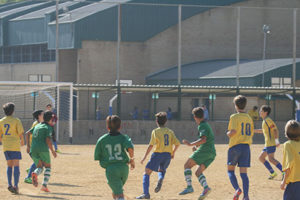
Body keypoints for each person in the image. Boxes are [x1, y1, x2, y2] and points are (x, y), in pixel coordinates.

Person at [136, 112, 180, 199]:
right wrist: (173, 153)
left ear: (157, 121)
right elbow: (177, 144)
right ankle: (160, 178)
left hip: (158, 154)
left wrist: (144, 157)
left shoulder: (155, 131)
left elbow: (151, 145)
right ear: (166, 121)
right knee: (161, 170)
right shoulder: (170, 132)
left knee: (147, 172)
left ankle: (146, 194)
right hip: (167, 155)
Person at [179, 107, 216, 200]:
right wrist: (196, 147)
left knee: (187, 165)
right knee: (198, 172)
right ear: (203, 115)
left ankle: (189, 187)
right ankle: (206, 188)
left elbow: (203, 139)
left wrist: (191, 144)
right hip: (212, 153)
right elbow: (207, 139)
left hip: (205, 150)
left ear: (195, 117)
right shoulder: (206, 125)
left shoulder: (202, 125)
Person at [94, 115, 135, 200]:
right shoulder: (124, 138)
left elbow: (97, 156)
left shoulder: (102, 140)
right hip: (124, 168)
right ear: (120, 127)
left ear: (107, 127)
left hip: (111, 170)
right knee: (116, 192)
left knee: (119, 194)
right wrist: (132, 160)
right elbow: (130, 149)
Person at [227, 95, 254, 200]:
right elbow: (251, 133)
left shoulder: (234, 117)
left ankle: (237, 189)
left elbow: (232, 132)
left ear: (236, 106)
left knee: (230, 171)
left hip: (235, 147)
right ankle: (246, 196)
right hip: (246, 147)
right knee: (244, 173)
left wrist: (228, 133)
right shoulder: (249, 118)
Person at [26, 111, 57, 192]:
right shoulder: (48, 127)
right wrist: (53, 151)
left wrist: (28, 146)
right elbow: (48, 140)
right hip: (43, 149)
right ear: (50, 119)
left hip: (33, 149)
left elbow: (27, 133)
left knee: (40, 167)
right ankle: (44, 186)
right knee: (48, 167)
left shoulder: (38, 125)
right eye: (52, 119)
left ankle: (35, 173)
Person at [0, 102, 24, 194]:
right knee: (16, 165)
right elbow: (20, 133)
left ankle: (9, 184)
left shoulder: (1, 121)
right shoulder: (16, 120)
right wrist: (22, 141)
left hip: (6, 146)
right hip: (15, 145)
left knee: (9, 165)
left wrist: (4, 141)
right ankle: (16, 186)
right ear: (13, 111)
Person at [254, 105, 282, 180]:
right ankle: (273, 173)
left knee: (271, 159)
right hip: (268, 144)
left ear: (266, 112)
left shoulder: (268, 120)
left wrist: (276, 141)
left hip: (271, 143)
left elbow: (275, 130)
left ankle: (284, 172)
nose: (260, 112)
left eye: (261, 111)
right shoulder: (265, 121)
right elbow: (263, 131)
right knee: (261, 158)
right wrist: (253, 130)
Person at [280, 120, 300, 200]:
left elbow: (289, 165)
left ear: (286, 133)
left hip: (294, 183)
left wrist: (284, 182)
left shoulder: (288, 145)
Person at [24, 110, 44, 184]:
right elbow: (27, 134)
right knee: (40, 164)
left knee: (41, 164)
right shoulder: (36, 124)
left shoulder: (41, 124)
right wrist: (28, 146)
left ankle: (30, 170)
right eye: (43, 114)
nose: (44, 115)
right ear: (39, 116)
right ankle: (28, 177)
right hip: (34, 147)